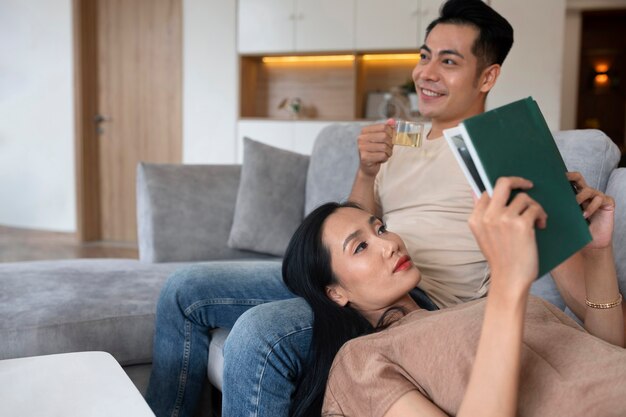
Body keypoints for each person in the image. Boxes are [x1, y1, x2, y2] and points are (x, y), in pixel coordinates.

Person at [145, 1, 625, 416]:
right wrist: (367, 171)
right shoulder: (403, 141)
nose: (426, 74)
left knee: (259, 335)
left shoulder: (509, 151)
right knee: (184, 289)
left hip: (424, 299)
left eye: (449, 62)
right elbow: (352, 230)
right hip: (360, 272)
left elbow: (587, 305)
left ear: (487, 76)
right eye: (424, 57)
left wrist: (584, 248)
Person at [282, 176, 625, 417]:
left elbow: (605, 352)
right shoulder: (360, 360)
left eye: (381, 228)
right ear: (336, 293)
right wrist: (509, 282)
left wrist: (597, 253)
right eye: (360, 247)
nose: (390, 244)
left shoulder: (471, 310)